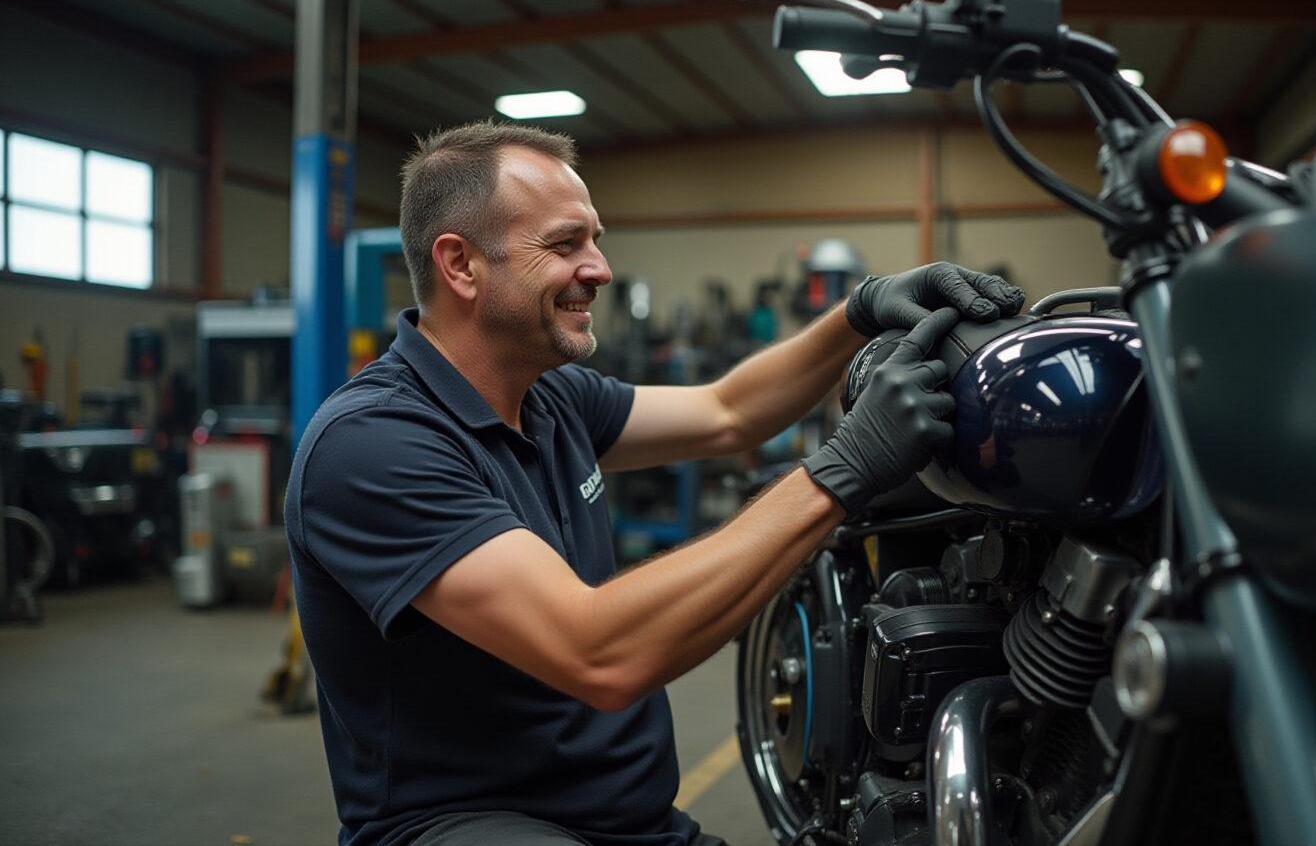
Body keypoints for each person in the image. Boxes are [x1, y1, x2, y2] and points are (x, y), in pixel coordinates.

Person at [284, 120, 1025, 846]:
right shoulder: (373, 444)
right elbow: (598, 653)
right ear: (461, 265)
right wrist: (845, 469)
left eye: (595, 239)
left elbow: (727, 411)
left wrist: (859, 313)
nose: (599, 268)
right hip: (467, 825)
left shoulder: (550, 397)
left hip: (629, 822)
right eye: (565, 243)